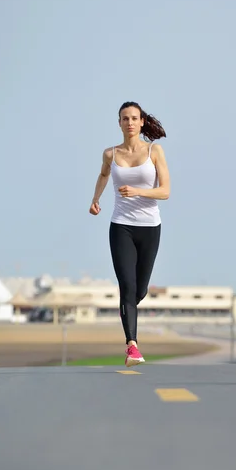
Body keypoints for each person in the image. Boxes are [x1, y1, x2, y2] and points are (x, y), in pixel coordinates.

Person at [89, 101, 170, 366]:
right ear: (120, 123)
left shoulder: (154, 151)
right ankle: (132, 347)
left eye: (134, 118)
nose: (130, 123)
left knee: (140, 289)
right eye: (125, 119)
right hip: (121, 226)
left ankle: (128, 309)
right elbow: (103, 175)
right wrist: (96, 199)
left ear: (142, 122)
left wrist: (138, 192)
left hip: (150, 228)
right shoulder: (111, 154)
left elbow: (165, 191)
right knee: (127, 286)